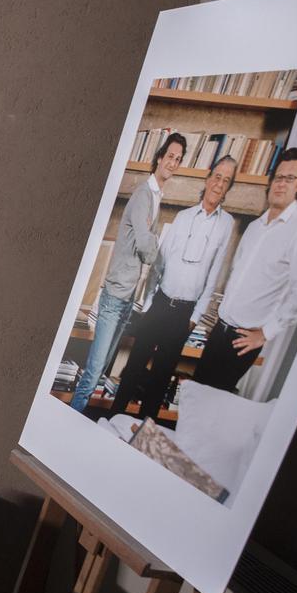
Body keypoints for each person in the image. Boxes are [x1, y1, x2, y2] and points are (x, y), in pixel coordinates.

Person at [110, 155, 237, 418]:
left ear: (228, 187)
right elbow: (159, 263)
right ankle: (111, 420)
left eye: (226, 180)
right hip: (159, 304)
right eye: (217, 176)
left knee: (160, 377)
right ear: (208, 178)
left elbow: (214, 273)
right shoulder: (183, 217)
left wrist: (195, 317)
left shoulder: (226, 225)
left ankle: (141, 436)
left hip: (184, 313)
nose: (219, 184)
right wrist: (147, 304)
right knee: (134, 366)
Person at [70, 133, 185, 411]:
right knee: (93, 372)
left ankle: (77, 421)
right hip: (114, 297)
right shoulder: (144, 195)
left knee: (101, 371)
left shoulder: (157, 197)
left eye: (178, 159)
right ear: (159, 157)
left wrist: (150, 237)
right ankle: (68, 419)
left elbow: (147, 243)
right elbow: (147, 249)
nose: (173, 162)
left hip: (126, 299)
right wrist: (153, 240)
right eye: (170, 156)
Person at [193, 147, 297, 392]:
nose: (281, 184)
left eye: (290, 178)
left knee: (210, 409)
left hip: (243, 339)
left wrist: (265, 333)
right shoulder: (255, 227)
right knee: (193, 398)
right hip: (219, 329)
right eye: (279, 177)